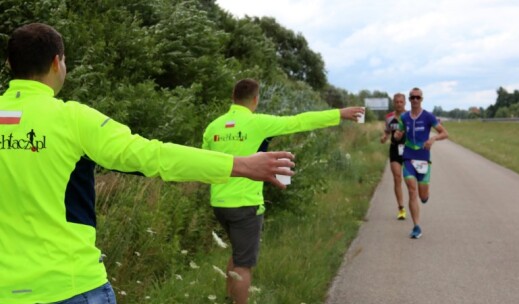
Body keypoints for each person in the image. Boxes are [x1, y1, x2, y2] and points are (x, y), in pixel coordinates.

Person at [0, 23, 295, 304]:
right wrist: (241, 165)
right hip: (71, 285)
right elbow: (155, 156)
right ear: (56, 63)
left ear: (10, 65)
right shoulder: (73, 119)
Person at [202, 78, 365, 304]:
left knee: (238, 253)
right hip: (246, 205)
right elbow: (299, 121)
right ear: (255, 99)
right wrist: (339, 114)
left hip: (219, 204)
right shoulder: (258, 123)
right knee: (244, 264)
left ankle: (227, 298)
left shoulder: (213, 127)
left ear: (233, 98)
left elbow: (205, 165)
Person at [394, 87, 448, 239]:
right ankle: (416, 226)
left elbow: (445, 133)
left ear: (421, 99)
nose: (415, 100)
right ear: (409, 100)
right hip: (408, 157)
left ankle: (425, 196)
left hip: (423, 158)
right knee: (412, 190)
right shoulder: (404, 118)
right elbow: (399, 133)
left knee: (422, 196)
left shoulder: (428, 117)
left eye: (418, 97)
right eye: (412, 98)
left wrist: (433, 139)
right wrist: (398, 135)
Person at [380, 93, 407, 220]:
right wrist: (384, 137)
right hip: (395, 149)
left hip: (409, 150)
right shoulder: (389, 117)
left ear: (405, 103)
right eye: (397, 102)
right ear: (393, 103)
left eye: (401, 102)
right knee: (397, 178)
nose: (399, 104)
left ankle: (412, 200)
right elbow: (387, 131)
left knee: (409, 180)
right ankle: (401, 208)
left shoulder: (409, 116)